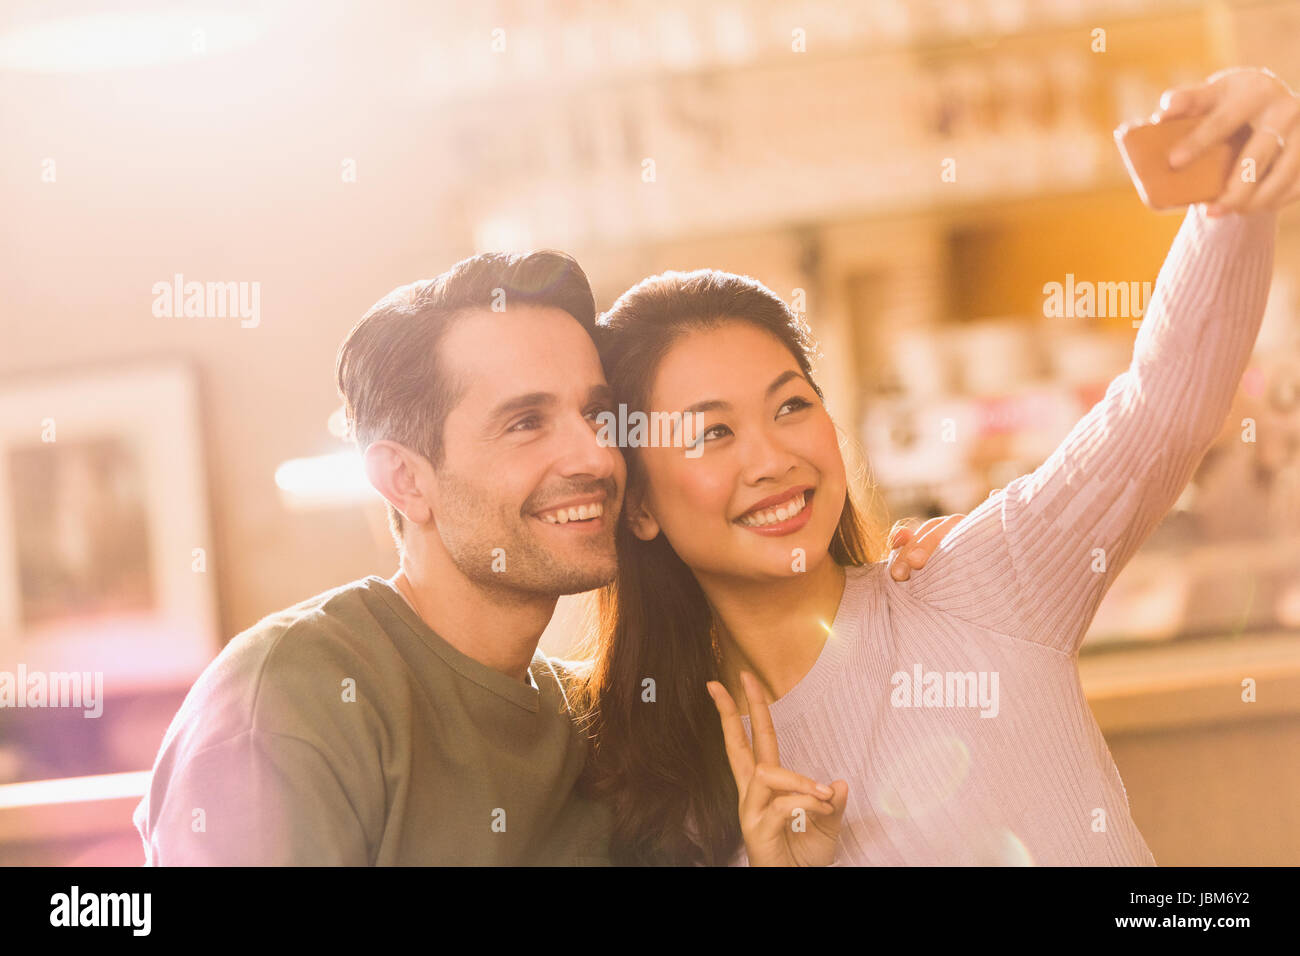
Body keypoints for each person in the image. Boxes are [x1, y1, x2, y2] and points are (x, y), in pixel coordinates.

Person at [576, 66, 1298, 866]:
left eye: (790, 406)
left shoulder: (976, 581)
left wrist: (1233, 193)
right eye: (712, 435)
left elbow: (1165, 405)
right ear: (637, 503)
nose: (773, 459)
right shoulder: (659, 788)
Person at [132, 250, 951, 865]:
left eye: (597, 414)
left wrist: (910, 592)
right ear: (405, 480)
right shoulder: (293, 702)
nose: (593, 456)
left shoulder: (605, 728)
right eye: (527, 422)